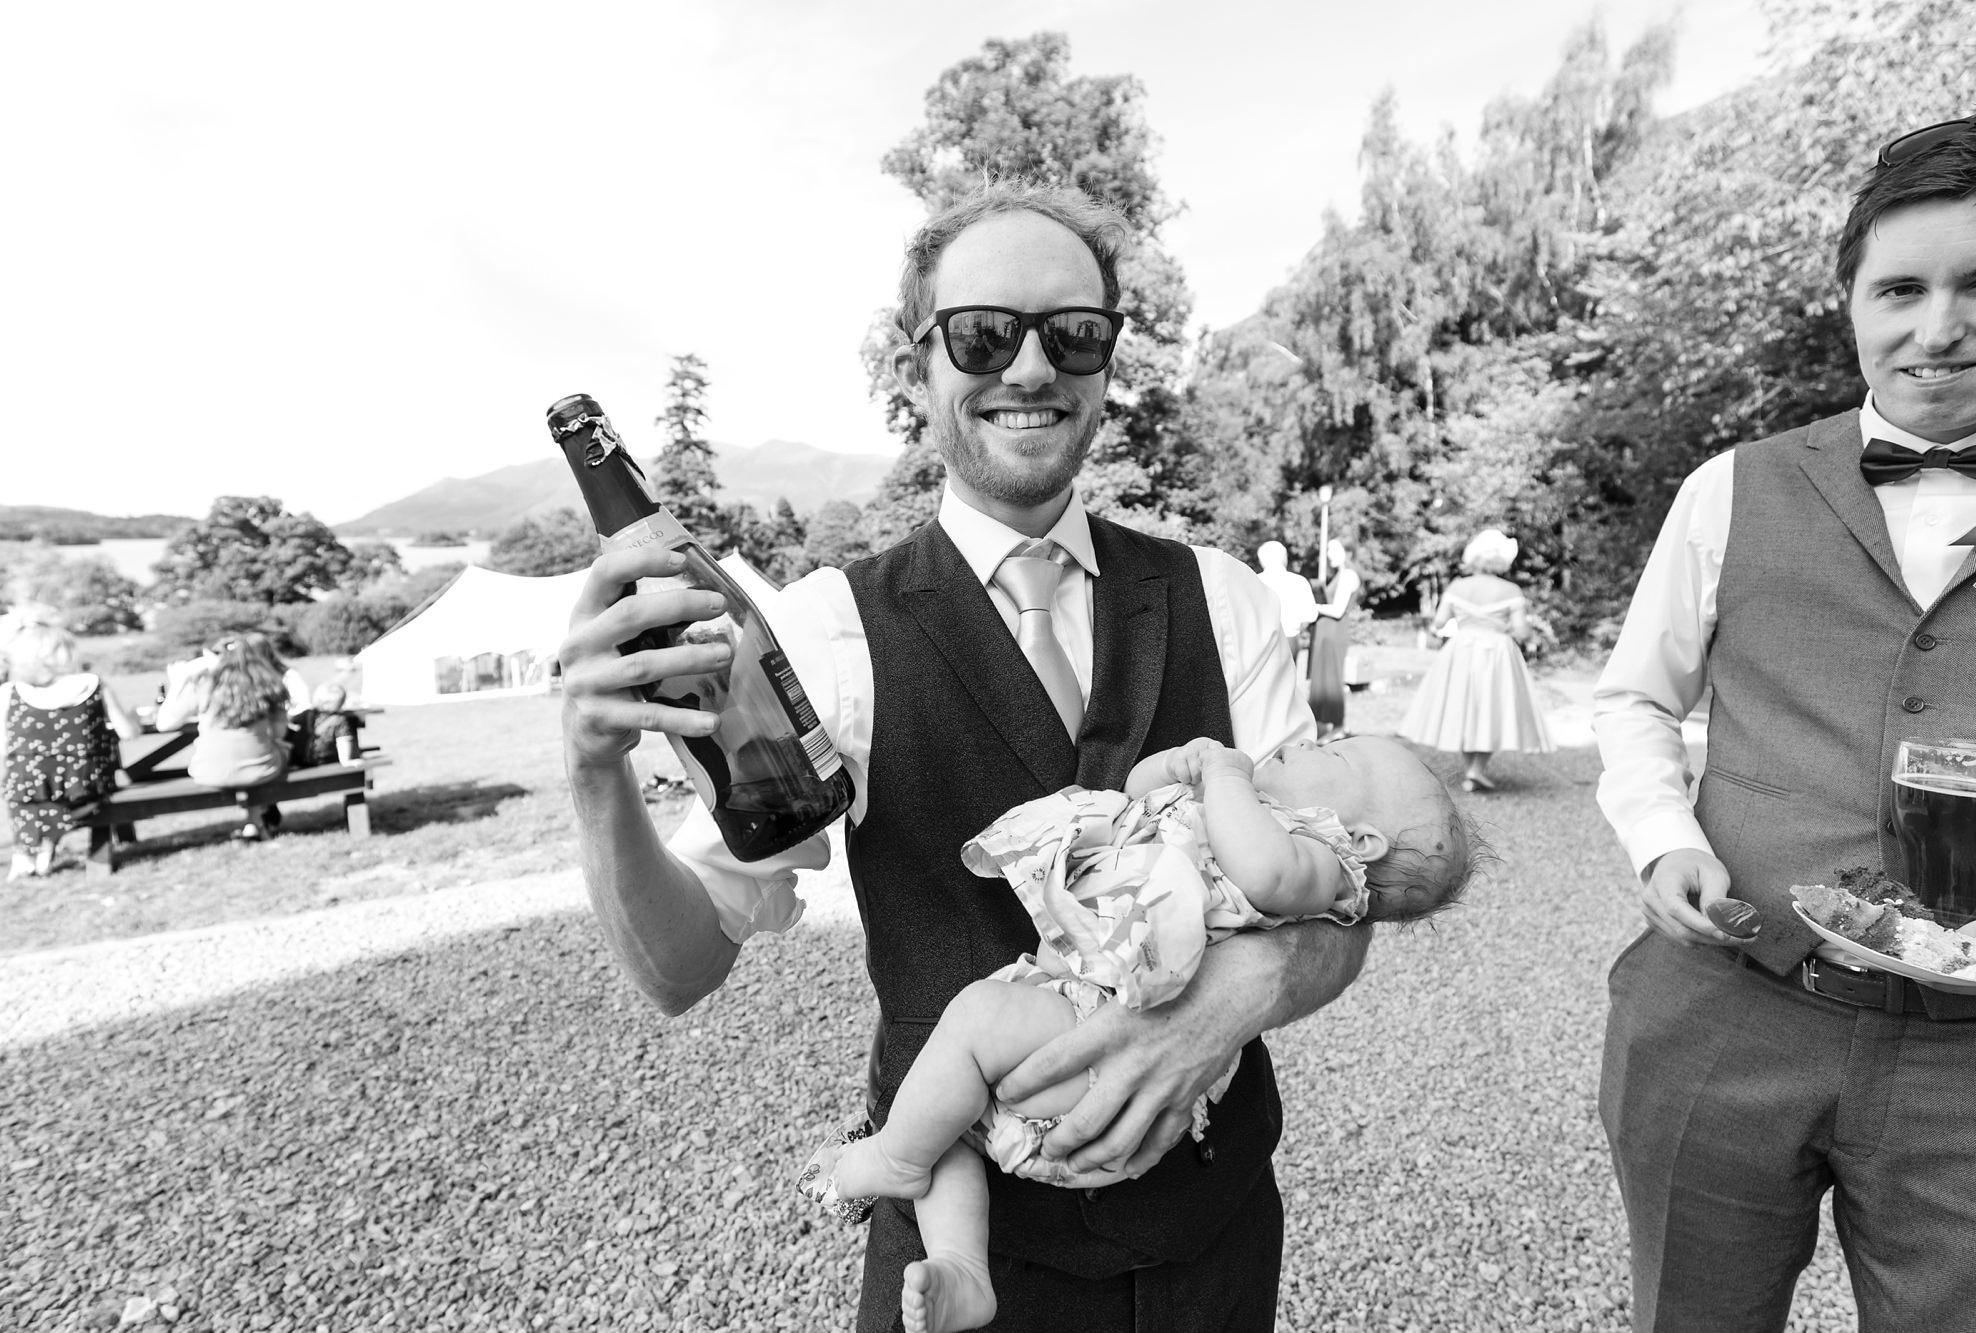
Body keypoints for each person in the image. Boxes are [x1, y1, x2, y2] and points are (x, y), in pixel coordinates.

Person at [558, 180, 1374, 1331]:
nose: (1030, 368)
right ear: (915, 370)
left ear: (1106, 364)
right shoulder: (827, 631)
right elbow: (678, 966)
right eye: (983, 333)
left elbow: (1343, 905)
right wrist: (593, 773)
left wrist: (1220, 1007)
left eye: (1072, 333)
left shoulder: (1222, 598)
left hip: (1215, 1238)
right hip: (957, 1271)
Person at [1591, 105, 1976, 1333]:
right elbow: (1632, 697)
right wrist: (1665, 841)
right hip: (1724, 1009)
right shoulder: (1729, 486)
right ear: (1851, 307)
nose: (1937, 327)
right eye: (1899, 289)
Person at [803, 734, 1474, 1332]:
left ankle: (892, 1156)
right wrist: (1176, 767)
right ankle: (961, 1263)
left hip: (1103, 1038)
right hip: (1063, 1014)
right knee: (952, 1121)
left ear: (1361, 841)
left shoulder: (1324, 865)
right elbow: (1132, 801)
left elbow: (1267, 875)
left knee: (975, 1023)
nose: (1315, 739)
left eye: (1336, 752)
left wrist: (1226, 774)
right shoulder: (1249, 811)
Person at [1396, 528, 1554, 792]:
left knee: (1464, 707)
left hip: (1462, 650)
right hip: (1497, 653)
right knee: (1492, 708)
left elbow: (1439, 622)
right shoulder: (1511, 589)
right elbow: (1522, 631)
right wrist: (1516, 631)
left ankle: (1473, 770)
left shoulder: (1458, 586)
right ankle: (1476, 771)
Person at [2, 621, 141, 880]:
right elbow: (129, 733)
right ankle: (42, 848)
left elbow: (3, 748)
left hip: (28, 790)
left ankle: (29, 851)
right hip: (85, 787)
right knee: (63, 787)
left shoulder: (9, 694)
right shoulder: (92, 684)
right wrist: (133, 717)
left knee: (24, 787)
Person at [155, 632, 292, 841]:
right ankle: (257, 821)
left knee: (239, 757)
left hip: (209, 771)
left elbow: (164, 724)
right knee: (275, 750)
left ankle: (254, 824)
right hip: (262, 769)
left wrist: (179, 681)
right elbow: (280, 732)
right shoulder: (268, 685)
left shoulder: (203, 686)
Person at [1305, 539, 1363, 739]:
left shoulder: (1348, 575)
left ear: (1347, 552)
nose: (1328, 554)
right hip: (1326, 633)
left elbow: (1337, 610)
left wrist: (1312, 607)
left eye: (1333, 549)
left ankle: (1337, 727)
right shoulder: (1340, 574)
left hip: (1334, 632)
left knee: (1332, 679)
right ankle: (1323, 726)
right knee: (1322, 680)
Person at [1252, 540, 1317, 668]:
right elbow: (1310, 616)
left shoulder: (1254, 581)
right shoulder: (1299, 582)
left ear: (1261, 560)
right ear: (1285, 558)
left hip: (1261, 641)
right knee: (1287, 683)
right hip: (1290, 639)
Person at [289, 681, 364, 768]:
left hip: (299, 763)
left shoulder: (305, 715)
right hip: (325, 764)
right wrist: (346, 761)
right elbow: (343, 740)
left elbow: (290, 725)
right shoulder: (339, 721)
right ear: (341, 702)